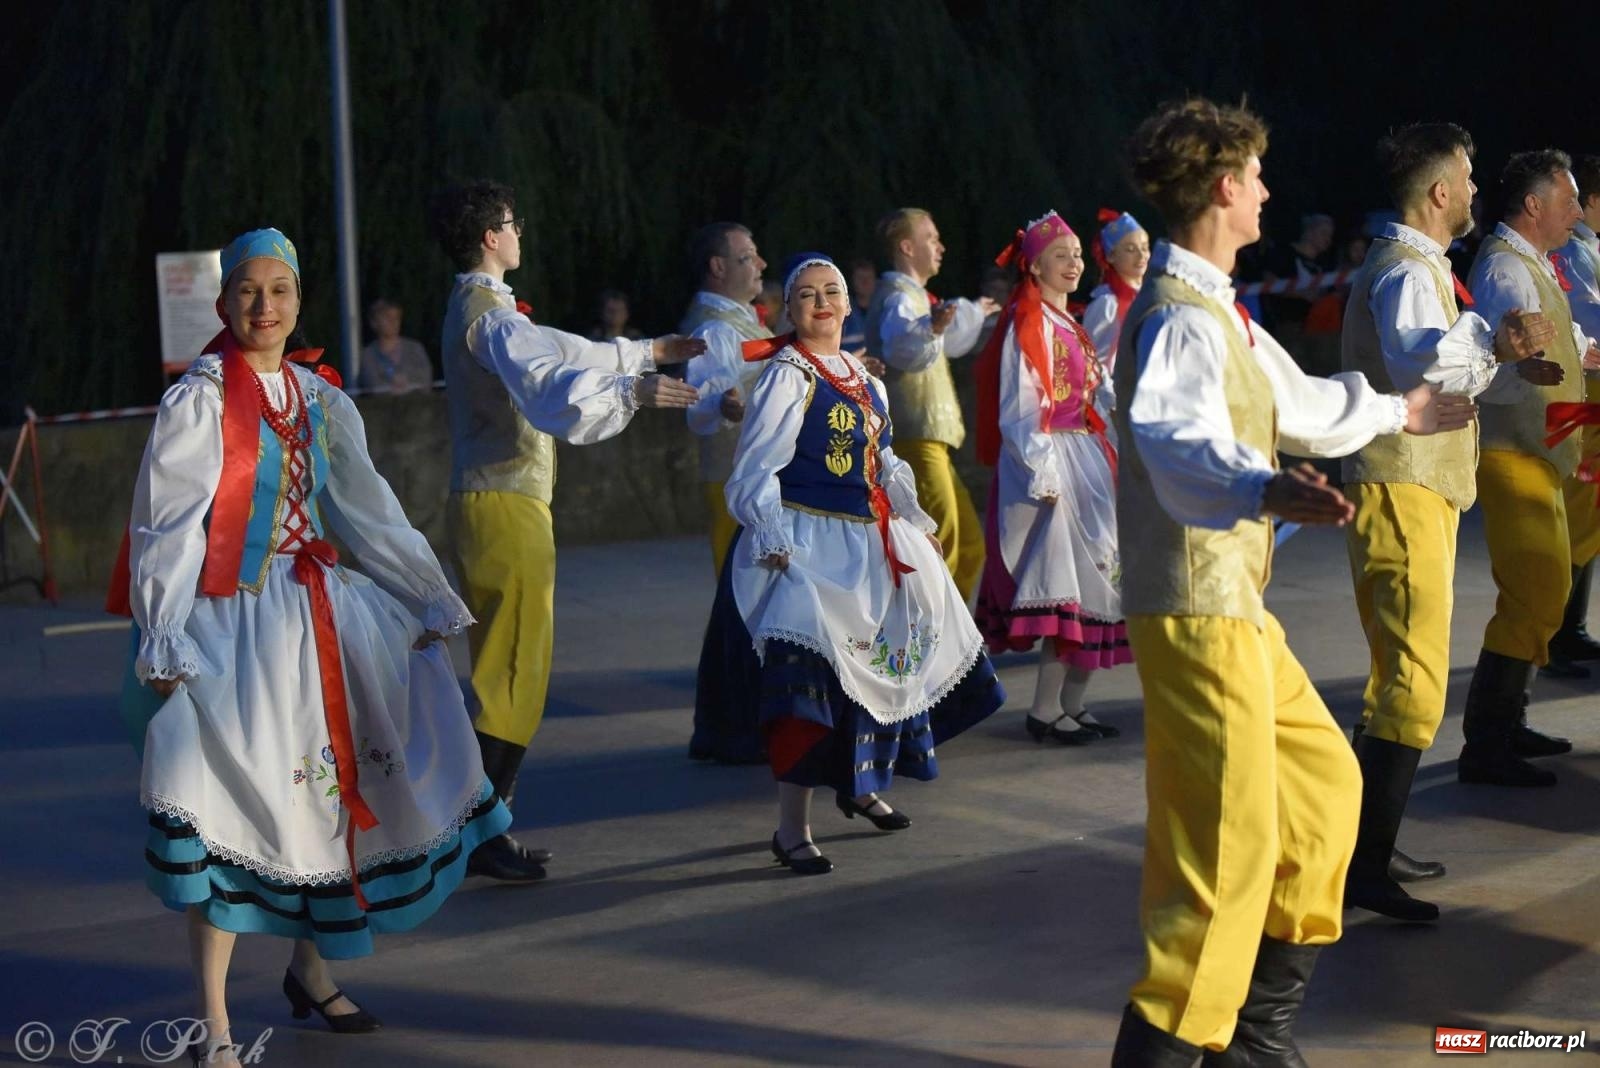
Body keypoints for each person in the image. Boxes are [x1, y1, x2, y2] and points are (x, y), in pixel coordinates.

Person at [1107, 99, 1477, 1067]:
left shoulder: (1214, 308)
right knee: (1219, 856)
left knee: (1321, 793)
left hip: (1234, 612)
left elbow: (1302, 401)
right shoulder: (1176, 320)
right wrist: (1258, 484)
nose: (1267, 190)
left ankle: (1253, 1036)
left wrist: (1403, 406)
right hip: (1193, 611)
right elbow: (1173, 439)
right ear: (1225, 187)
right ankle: (1180, 1046)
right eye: (1258, 175)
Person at [110, 228, 513, 1066]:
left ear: (299, 301)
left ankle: (310, 971)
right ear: (223, 304)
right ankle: (215, 1024)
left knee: (337, 799)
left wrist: (425, 592)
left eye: (280, 291)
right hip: (238, 625)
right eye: (248, 292)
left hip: (325, 609)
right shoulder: (201, 398)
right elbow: (169, 526)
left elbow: (368, 508)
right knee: (227, 803)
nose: (264, 307)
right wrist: (164, 630)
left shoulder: (321, 398)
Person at [430, 180, 701, 881]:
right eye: (513, 224)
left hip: (493, 501)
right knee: (515, 671)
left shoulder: (481, 308)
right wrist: (630, 388)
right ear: (491, 236)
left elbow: (560, 347)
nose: (521, 233)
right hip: (505, 502)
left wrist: (639, 355)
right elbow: (549, 379)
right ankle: (482, 832)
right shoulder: (489, 316)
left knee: (511, 668)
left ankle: (483, 828)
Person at [1340, 124, 1559, 924]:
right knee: (1410, 681)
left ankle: (1370, 847)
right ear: (1439, 192)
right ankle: (1360, 866)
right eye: (1466, 177)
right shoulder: (1405, 272)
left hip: (1418, 489)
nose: (1474, 190)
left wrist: (1501, 358)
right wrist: (1493, 337)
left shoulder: (1420, 268)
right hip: (1398, 487)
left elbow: (1450, 375)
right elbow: (1419, 368)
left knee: (1407, 677)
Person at [726, 254, 1004, 875]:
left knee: (881, 672)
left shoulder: (864, 377)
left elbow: (883, 462)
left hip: (870, 543)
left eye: (832, 292)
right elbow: (754, 470)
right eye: (806, 295)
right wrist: (771, 533)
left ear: (850, 305)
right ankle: (790, 828)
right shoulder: (786, 376)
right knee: (810, 686)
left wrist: (915, 523)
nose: (821, 303)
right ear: (789, 310)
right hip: (808, 546)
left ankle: (862, 787)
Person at [1459, 149, 1600, 788]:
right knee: (1538, 589)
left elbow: (1554, 350)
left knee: (1542, 588)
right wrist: (1523, 369)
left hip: (1541, 451)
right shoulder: (1506, 271)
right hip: (1513, 452)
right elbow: (1494, 365)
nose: (1579, 210)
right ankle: (1485, 744)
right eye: (1570, 200)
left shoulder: (1532, 262)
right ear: (1536, 205)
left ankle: (1505, 724)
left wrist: (1581, 356)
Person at [973, 212, 1131, 746]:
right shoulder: (1030, 320)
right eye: (1060, 255)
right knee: (1064, 585)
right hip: (1052, 461)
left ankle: (1072, 703)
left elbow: (1098, 394)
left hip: (1087, 456)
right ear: (1034, 264)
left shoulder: (1072, 325)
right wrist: (1042, 471)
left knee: (1101, 581)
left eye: (1077, 255)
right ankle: (1044, 709)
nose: (1073, 264)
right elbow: (1020, 406)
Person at [865, 208, 999, 601]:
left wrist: (965, 317)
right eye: (931, 238)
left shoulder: (916, 298)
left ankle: (947, 638)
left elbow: (940, 342)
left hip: (930, 442)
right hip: (913, 440)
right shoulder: (897, 298)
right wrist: (933, 327)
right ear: (907, 247)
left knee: (968, 544)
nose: (940, 246)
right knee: (942, 541)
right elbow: (904, 346)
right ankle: (934, 642)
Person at [679, 222, 772, 578]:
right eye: (748, 258)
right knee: (744, 593)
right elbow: (700, 403)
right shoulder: (714, 328)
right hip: (737, 484)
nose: (761, 264)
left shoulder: (739, 320)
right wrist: (721, 405)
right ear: (718, 268)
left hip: (754, 480)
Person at [1545, 154, 1600, 672]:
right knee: (1580, 517)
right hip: (1585, 401)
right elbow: (1590, 321)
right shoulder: (1576, 256)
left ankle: (1569, 628)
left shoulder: (1588, 251)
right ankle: (1561, 632)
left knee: (1587, 520)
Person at [1082, 208, 1151, 377]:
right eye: (1130, 249)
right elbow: (1093, 365)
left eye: (1144, 247)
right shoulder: (1106, 304)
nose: (1141, 255)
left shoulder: (1150, 296)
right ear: (1111, 256)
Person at [356, 298, 433, 393]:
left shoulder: (415, 349)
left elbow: (426, 378)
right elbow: (371, 384)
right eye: (387, 317)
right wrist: (391, 386)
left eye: (396, 317)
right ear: (374, 323)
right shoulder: (368, 355)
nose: (393, 322)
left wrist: (407, 382)